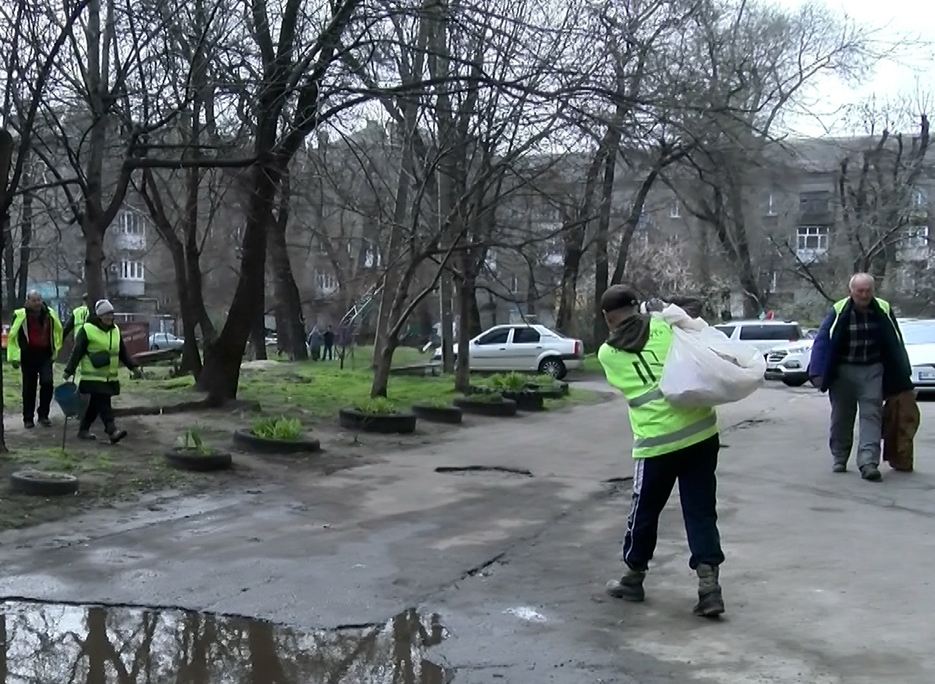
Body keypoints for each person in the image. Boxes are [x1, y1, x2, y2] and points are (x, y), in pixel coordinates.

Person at [597, 285, 725, 618]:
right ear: (636, 307)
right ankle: (709, 587)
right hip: (701, 433)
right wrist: (662, 309)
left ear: (608, 318)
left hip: (656, 443)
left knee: (645, 511)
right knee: (700, 511)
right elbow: (693, 309)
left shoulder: (608, 354)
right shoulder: (663, 325)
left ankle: (634, 577)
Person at [807, 273, 912, 482]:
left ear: (873, 291)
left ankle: (868, 462)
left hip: (872, 370)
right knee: (841, 417)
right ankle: (839, 456)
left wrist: (903, 375)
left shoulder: (882, 308)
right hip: (842, 371)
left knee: (871, 415)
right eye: (859, 291)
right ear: (851, 291)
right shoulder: (838, 310)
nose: (864, 295)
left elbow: (896, 341)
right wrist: (817, 372)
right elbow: (822, 341)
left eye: (868, 291)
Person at [63, 299, 141, 443]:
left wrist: (133, 367)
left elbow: (122, 352)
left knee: (95, 404)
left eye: (111, 314)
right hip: (92, 375)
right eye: (106, 314)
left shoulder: (115, 330)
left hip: (109, 377)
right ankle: (112, 430)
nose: (110, 317)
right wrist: (69, 370)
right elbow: (77, 351)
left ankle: (83, 430)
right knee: (104, 403)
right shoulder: (87, 329)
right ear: (99, 316)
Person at [7, 290, 63, 428]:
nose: (37, 303)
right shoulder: (20, 315)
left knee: (47, 383)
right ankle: (28, 418)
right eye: (34, 300)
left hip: (45, 354)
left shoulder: (49, 314)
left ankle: (43, 415)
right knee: (29, 387)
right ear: (28, 301)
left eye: (39, 300)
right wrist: (14, 357)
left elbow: (58, 330)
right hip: (28, 355)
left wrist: (55, 349)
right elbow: (13, 336)